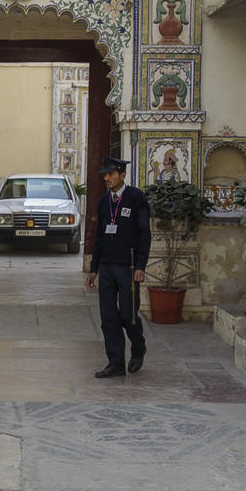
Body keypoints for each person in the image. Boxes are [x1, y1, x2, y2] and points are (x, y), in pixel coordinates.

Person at [86, 156, 151, 378]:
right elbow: (99, 237)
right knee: (108, 317)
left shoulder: (136, 198)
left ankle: (138, 348)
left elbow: (145, 234)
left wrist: (141, 266)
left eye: (111, 174)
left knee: (127, 315)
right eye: (105, 175)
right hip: (106, 266)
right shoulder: (104, 202)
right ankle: (115, 362)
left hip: (129, 266)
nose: (107, 178)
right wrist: (94, 268)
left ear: (122, 175)